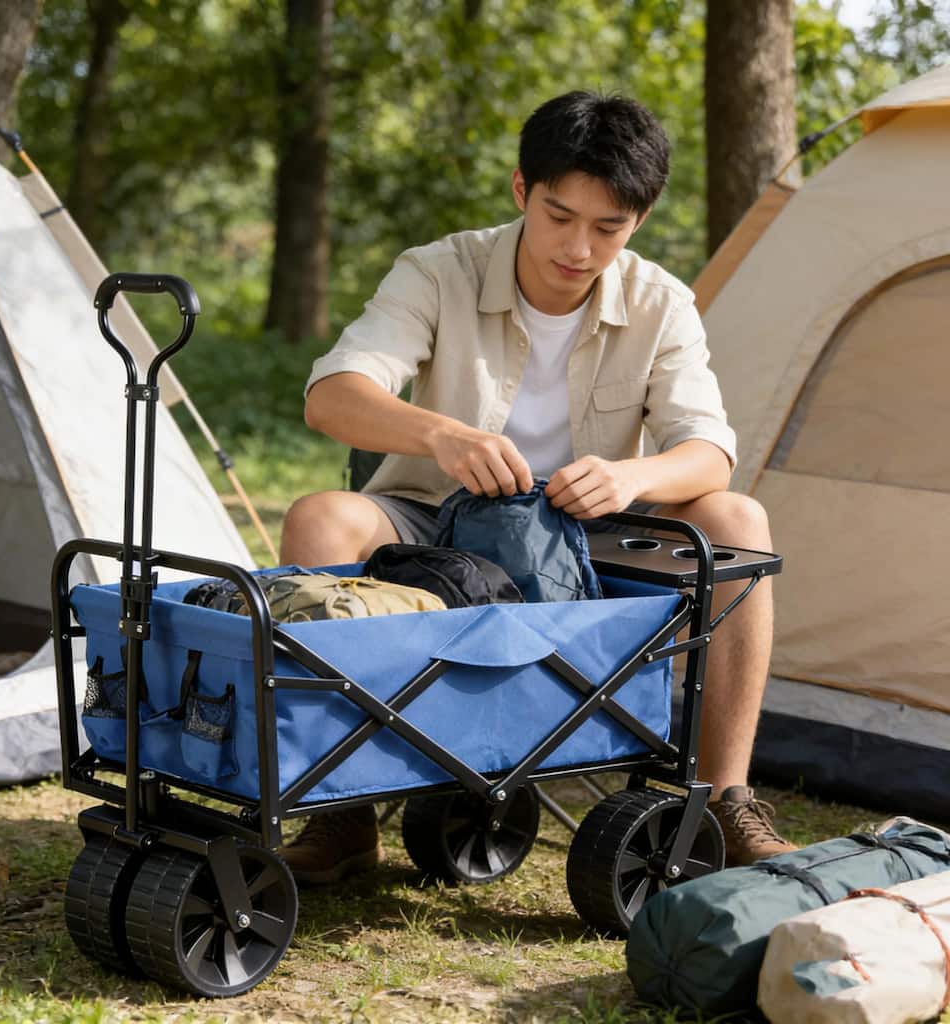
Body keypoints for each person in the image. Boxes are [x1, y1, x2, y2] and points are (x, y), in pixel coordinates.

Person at [278, 91, 796, 884]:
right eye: (560, 216)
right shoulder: (437, 271)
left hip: (586, 538)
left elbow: (709, 451)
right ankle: (340, 809)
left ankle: (722, 798)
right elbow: (330, 396)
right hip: (433, 524)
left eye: (608, 228)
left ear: (640, 220)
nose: (579, 248)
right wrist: (442, 435)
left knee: (738, 517)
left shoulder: (662, 304)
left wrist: (632, 476)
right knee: (320, 519)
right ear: (523, 191)